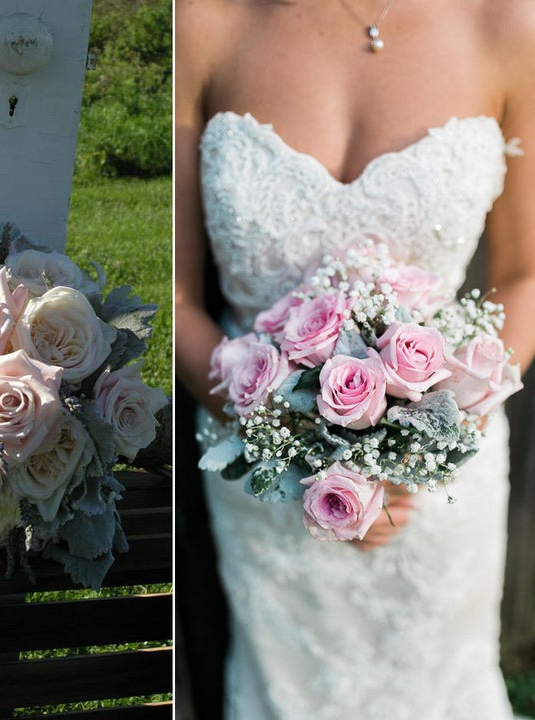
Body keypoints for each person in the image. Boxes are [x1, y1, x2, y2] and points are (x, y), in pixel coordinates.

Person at [174, 0, 535, 717]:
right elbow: (178, 294)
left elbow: (527, 274)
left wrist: (415, 443)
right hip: (262, 475)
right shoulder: (200, 21)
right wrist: (302, 445)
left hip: (436, 489)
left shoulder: (510, 22)